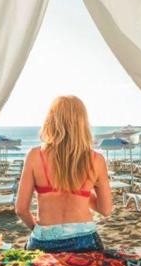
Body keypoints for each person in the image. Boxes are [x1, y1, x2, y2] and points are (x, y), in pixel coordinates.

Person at [16, 96, 113, 252]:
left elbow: (21, 209)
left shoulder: (34, 156)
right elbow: (105, 210)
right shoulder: (97, 160)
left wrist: (39, 231)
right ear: (82, 123)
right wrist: (81, 192)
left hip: (44, 239)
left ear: (51, 120)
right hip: (85, 240)